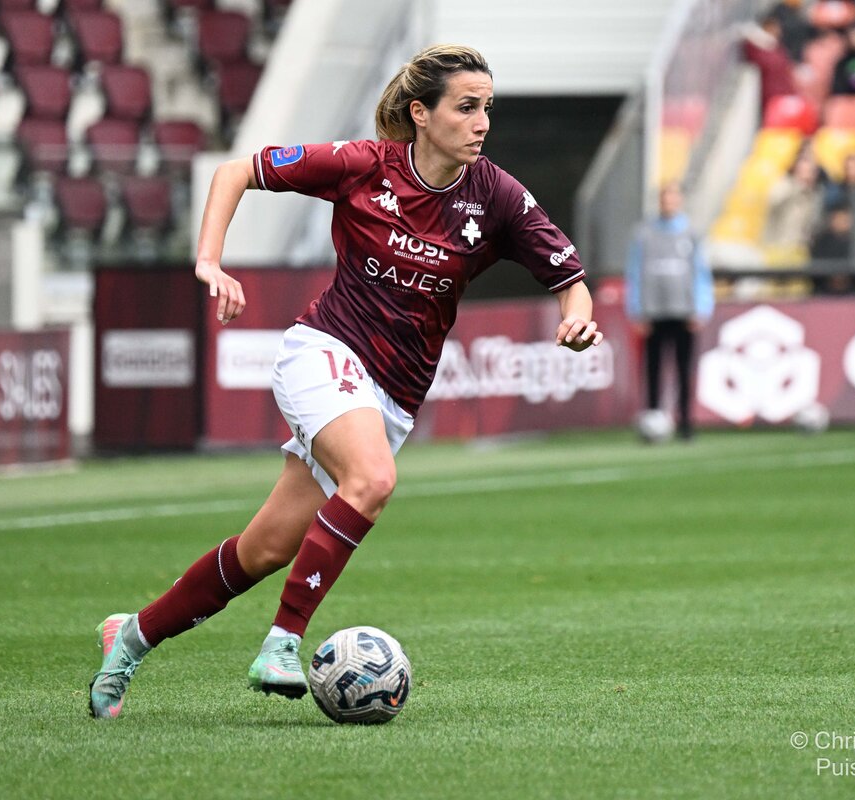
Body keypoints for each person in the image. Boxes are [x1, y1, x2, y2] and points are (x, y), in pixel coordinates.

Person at [87, 44, 603, 719]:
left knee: (265, 549)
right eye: (466, 107)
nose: (482, 123)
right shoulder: (363, 165)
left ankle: (129, 637)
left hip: (393, 396)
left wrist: (576, 319)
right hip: (324, 350)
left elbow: (570, 279)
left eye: (487, 108)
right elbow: (236, 171)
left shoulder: (496, 196)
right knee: (373, 479)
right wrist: (210, 261)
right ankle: (282, 642)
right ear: (421, 113)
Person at [624, 184, 713, 443]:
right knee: (653, 370)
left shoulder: (692, 233)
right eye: (665, 199)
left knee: (684, 369)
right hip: (653, 312)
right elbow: (634, 272)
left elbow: (701, 272)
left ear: (680, 201)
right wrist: (637, 310)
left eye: (673, 199)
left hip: (684, 311)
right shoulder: (643, 233)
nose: (669, 203)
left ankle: (686, 423)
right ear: (660, 202)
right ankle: (652, 420)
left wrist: (701, 308)